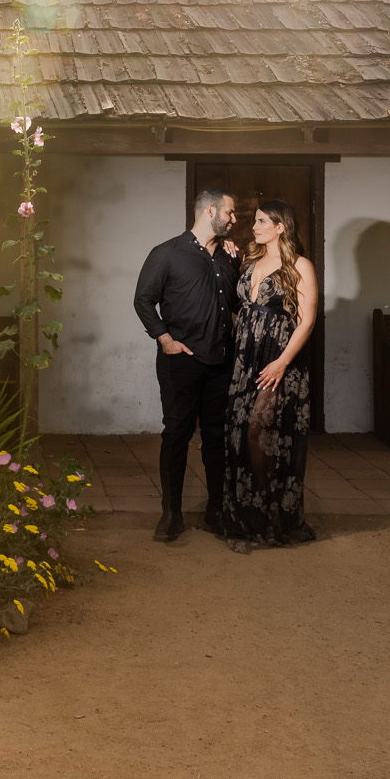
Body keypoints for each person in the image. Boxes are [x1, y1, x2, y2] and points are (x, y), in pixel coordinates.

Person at [132, 188, 240, 543]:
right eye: (231, 213)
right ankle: (171, 514)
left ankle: (216, 512)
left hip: (221, 362)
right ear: (211, 211)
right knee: (176, 435)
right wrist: (165, 340)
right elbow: (144, 301)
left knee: (216, 438)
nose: (234, 220)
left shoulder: (228, 256)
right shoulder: (166, 254)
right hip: (180, 362)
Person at [221, 198, 323, 552]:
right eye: (256, 221)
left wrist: (281, 362)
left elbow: (307, 320)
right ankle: (248, 519)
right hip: (244, 358)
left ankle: (272, 515)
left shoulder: (300, 266)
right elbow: (241, 309)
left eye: (263, 221)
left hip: (278, 359)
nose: (255, 226)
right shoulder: (249, 261)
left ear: (281, 226)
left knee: (259, 433)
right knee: (237, 432)